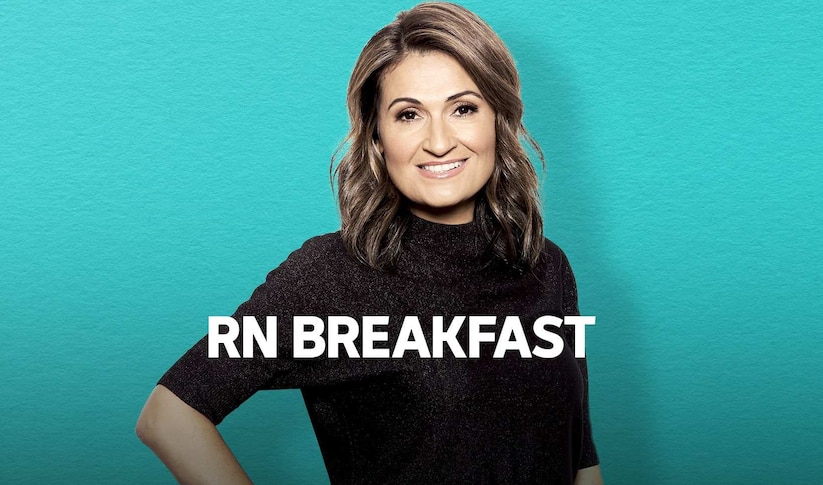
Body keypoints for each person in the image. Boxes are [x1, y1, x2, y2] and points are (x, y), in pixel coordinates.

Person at [136, 2, 602, 484]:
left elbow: (579, 456)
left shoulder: (547, 266)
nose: (439, 141)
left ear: (498, 120)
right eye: (408, 115)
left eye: (463, 108)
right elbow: (168, 417)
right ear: (378, 136)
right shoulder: (332, 275)